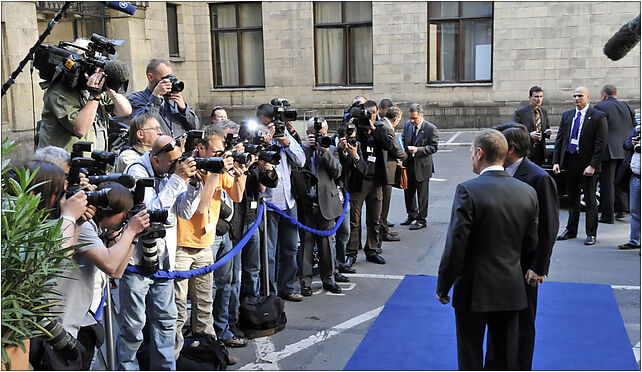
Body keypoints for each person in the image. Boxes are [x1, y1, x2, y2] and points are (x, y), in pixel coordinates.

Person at [436, 129, 539, 370]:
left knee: (470, 354)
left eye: (471, 152)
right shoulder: (527, 192)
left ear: (480, 154)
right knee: (504, 357)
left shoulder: (468, 190)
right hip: (511, 288)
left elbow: (456, 245)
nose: (471, 156)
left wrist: (443, 286)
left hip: (474, 290)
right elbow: (531, 244)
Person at [118, 135, 202, 370]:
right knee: (133, 329)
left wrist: (193, 185)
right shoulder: (136, 172)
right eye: (172, 162)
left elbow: (184, 212)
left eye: (179, 161)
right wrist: (177, 179)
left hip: (164, 263)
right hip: (136, 264)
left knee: (166, 324)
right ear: (156, 160)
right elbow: (149, 213)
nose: (178, 166)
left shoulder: (170, 174)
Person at [174, 124, 247, 355]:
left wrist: (240, 172)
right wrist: (216, 173)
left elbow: (236, 196)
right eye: (216, 153)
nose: (220, 156)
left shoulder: (218, 167)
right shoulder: (189, 168)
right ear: (201, 148)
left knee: (204, 304)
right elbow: (199, 207)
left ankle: (208, 353)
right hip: (182, 246)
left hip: (206, 243)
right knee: (178, 309)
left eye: (221, 152)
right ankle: (174, 358)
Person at [491, 123, 559, 370]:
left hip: (525, 265)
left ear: (511, 150)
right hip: (500, 263)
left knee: (522, 321)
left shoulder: (538, 178)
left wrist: (539, 267)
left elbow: (549, 227)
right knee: (499, 319)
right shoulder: (500, 172)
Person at [38, 39, 132, 152]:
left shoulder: (94, 87)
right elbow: (80, 129)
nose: (96, 70)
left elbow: (125, 111)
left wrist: (110, 91)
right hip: (63, 164)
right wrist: (94, 96)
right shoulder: (59, 91)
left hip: (92, 162)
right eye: (91, 65)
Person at [257, 103, 306, 301]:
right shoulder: (256, 136)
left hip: (288, 201)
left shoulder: (284, 134)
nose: (272, 125)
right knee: (268, 251)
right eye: (267, 121)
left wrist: (286, 141)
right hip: (268, 203)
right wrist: (265, 140)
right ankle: (270, 292)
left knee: (290, 247)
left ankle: (287, 287)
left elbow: (301, 160)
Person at [553, 87, 608, 245]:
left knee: (590, 200)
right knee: (572, 198)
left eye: (580, 96)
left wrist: (592, 165)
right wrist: (556, 161)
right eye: (574, 96)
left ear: (588, 97)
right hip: (570, 162)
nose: (576, 98)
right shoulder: (568, 115)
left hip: (588, 164)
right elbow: (560, 140)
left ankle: (591, 233)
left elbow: (601, 144)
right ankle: (571, 230)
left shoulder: (598, 116)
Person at [342, 100, 393, 267]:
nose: (370, 116)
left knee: (374, 218)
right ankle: (351, 253)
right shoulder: (355, 129)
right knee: (355, 221)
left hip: (376, 180)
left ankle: (372, 250)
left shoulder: (378, 129)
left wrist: (373, 128)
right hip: (358, 182)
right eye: (367, 113)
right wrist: (353, 128)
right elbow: (346, 148)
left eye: (372, 113)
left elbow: (388, 145)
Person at [299, 117, 343, 295]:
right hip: (308, 203)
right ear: (308, 133)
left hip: (327, 202)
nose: (319, 137)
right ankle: (306, 282)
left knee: (326, 245)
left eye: (323, 134)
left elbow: (338, 172)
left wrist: (325, 151)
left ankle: (328, 280)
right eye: (315, 134)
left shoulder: (332, 148)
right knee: (306, 245)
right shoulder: (301, 150)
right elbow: (298, 167)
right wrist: (307, 150)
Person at [594, 84, 637, 223]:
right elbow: (635, 127)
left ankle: (607, 215)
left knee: (607, 183)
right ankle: (622, 209)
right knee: (620, 181)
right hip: (626, 150)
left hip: (609, 151)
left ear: (603, 96)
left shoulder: (600, 107)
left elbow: (599, 130)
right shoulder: (628, 108)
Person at [128, 58, 199, 138]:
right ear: (150, 77)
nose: (169, 83)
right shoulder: (136, 98)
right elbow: (143, 124)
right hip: (156, 149)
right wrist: (156, 96)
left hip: (179, 149)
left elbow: (195, 126)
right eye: (165, 79)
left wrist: (184, 109)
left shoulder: (173, 100)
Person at [401, 103, 439, 230]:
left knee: (422, 194)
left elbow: (433, 147)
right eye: (410, 118)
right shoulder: (407, 125)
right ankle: (411, 214)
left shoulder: (430, 128)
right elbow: (403, 138)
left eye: (414, 118)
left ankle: (421, 219)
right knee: (408, 191)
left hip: (422, 166)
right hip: (408, 164)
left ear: (421, 116)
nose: (412, 121)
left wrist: (418, 150)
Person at [379, 106, 407, 246]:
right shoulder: (386, 128)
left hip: (383, 170)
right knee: (384, 204)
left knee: (381, 204)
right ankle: (383, 232)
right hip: (386, 171)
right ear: (395, 119)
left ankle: (383, 230)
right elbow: (395, 149)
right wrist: (406, 156)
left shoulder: (380, 124)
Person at [512, 86, 552, 166]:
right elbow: (514, 131)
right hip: (526, 151)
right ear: (530, 98)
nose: (539, 99)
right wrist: (529, 135)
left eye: (541, 96)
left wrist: (547, 132)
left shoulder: (543, 112)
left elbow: (546, 127)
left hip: (540, 152)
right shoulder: (520, 112)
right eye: (536, 96)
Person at [616, 126, 641, 250]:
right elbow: (626, 144)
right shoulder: (637, 129)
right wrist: (633, 142)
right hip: (635, 176)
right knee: (635, 211)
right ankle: (634, 240)